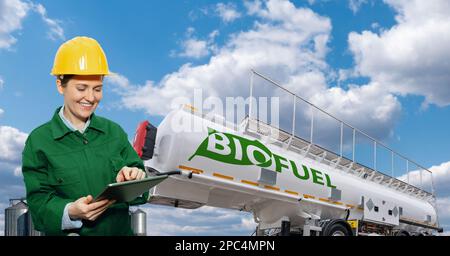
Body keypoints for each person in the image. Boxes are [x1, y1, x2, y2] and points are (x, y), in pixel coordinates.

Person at [22, 36, 148, 236]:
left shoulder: (114, 132)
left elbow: (141, 189)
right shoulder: (39, 141)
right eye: (81, 88)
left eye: (97, 89)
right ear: (60, 85)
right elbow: (38, 203)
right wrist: (70, 212)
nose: (90, 97)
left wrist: (135, 176)